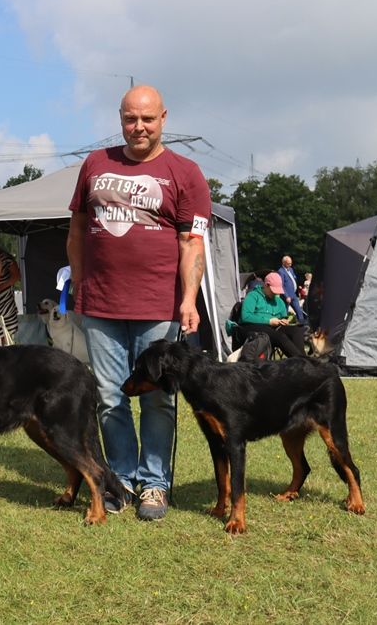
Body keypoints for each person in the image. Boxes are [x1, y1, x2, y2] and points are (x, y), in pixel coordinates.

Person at [67, 85, 211, 522]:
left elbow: (192, 243)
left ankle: (154, 484)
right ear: (120, 118)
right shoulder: (95, 164)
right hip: (101, 305)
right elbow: (76, 230)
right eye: (131, 118)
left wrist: (189, 299)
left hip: (159, 308)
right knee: (109, 397)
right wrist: (77, 284)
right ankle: (121, 480)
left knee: (158, 399)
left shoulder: (186, 172)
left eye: (147, 119)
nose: (139, 127)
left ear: (163, 118)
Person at [237, 272, 306, 357]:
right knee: (280, 336)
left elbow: (283, 316)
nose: (276, 294)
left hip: (274, 328)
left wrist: (284, 320)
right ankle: (303, 362)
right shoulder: (253, 296)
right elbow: (246, 316)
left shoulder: (279, 301)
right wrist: (269, 321)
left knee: (296, 331)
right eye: (274, 290)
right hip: (253, 328)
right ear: (266, 285)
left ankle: (303, 360)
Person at [0, 237, 21, 346]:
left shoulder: (6, 257)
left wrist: (1, 287)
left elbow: (16, 276)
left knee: (6, 329)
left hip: (5, 299)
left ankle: (7, 358)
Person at [277, 255, 306, 324]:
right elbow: (281, 285)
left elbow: (293, 278)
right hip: (286, 296)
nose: (290, 264)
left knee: (299, 310)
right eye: (288, 263)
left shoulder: (291, 269)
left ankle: (302, 325)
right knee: (285, 313)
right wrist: (286, 296)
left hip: (293, 294)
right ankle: (283, 326)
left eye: (291, 263)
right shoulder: (280, 271)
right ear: (284, 263)